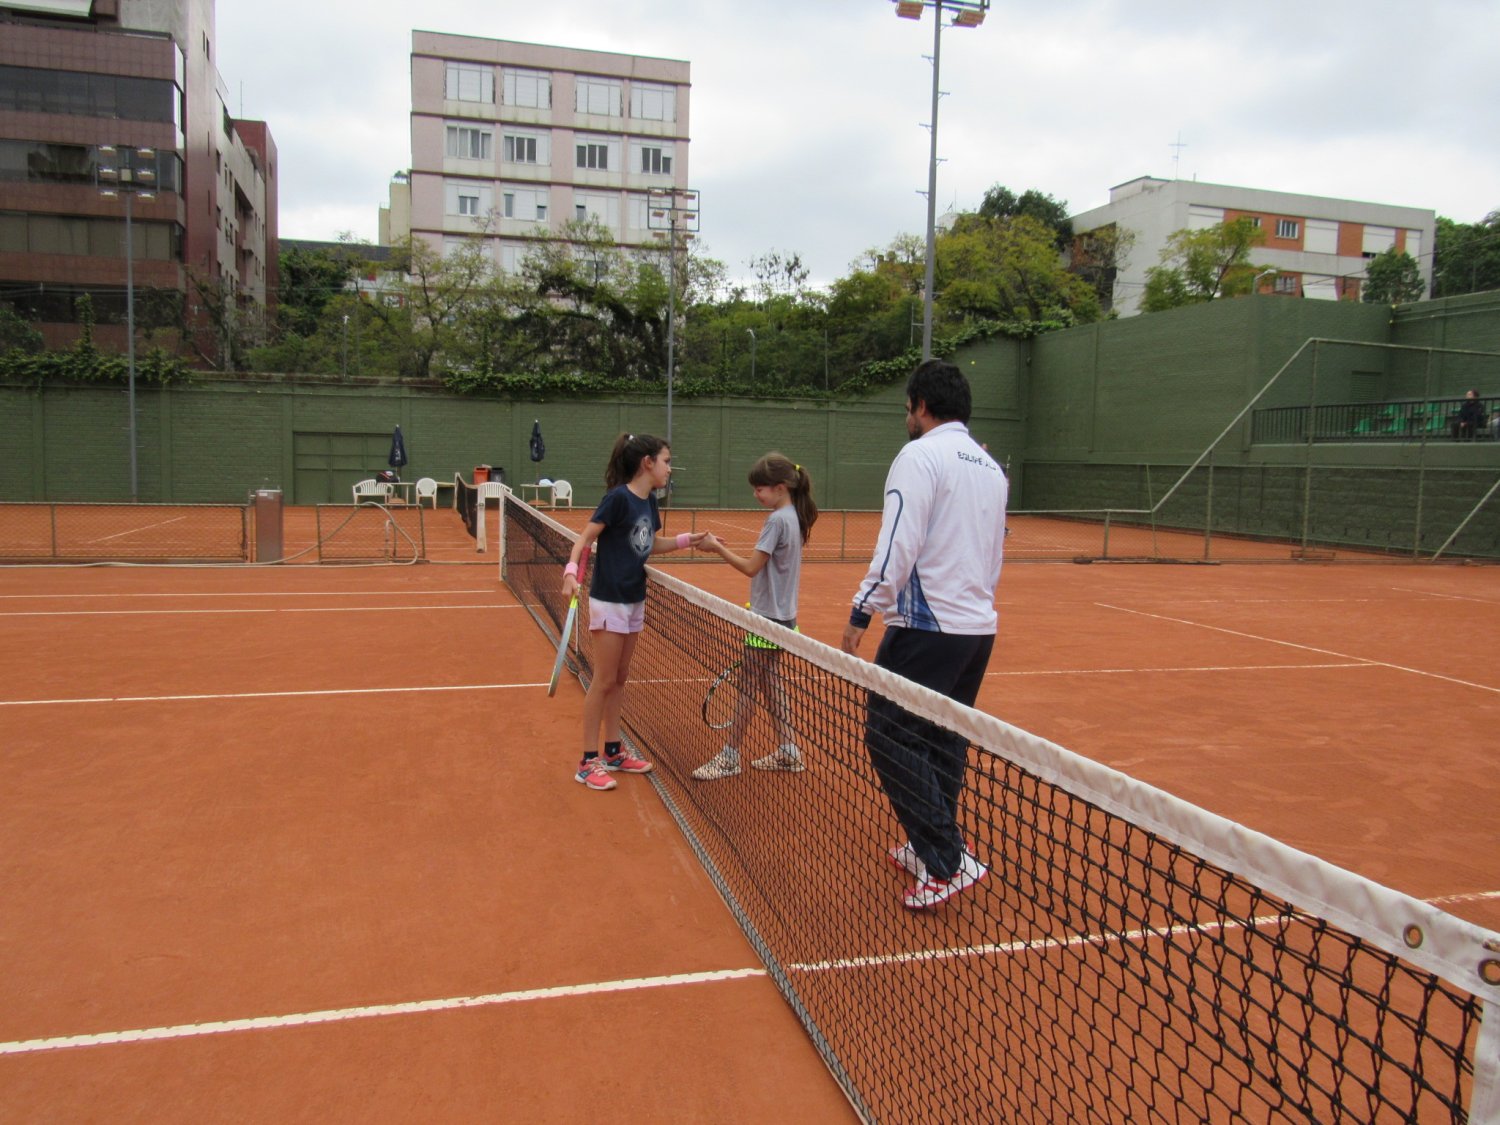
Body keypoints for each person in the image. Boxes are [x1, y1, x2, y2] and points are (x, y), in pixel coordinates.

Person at [841, 359, 1008, 911]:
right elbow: (993, 554)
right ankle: (931, 843)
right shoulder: (991, 468)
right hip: (976, 631)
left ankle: (946, 858)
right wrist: (975, 610)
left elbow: (898, 543)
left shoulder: (918, 456)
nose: (906, 417)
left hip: (925, 628)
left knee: (888, 736)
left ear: (921, 406)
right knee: (941, 739)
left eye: (907, 408)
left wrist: (862, 611)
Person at [562, 433, 704, 792]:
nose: (669, 469)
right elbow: (584, 538)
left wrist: (688, 541)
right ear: (647, 463)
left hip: (634, 599)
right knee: (604, 680)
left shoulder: (650, 501)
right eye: (666, 461)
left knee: (620, 677)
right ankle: (587, 762)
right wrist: (570, 572)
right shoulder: (617, 499)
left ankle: (613, 751)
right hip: (609, 599)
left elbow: (650, 543)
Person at [691, 453, 817, 780]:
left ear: (780, 487)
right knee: (770, 681)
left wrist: (716, 548)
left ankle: (730, 757)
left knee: (747, 686)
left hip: (766, 621)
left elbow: (751, 567)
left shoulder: (777, 520)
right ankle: (789, 751)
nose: (755, 494)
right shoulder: (794, 515)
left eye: (760, 488)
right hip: (784, 618)